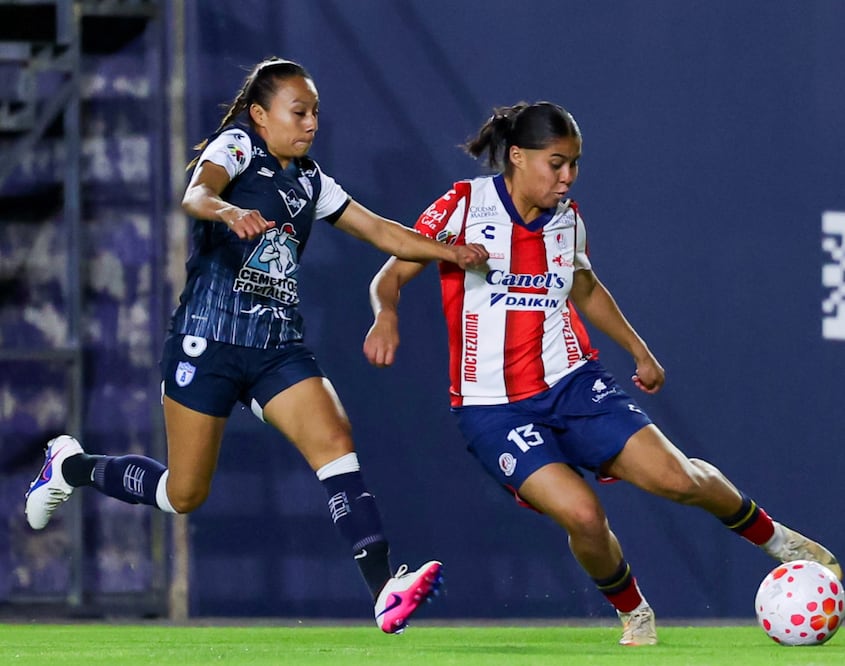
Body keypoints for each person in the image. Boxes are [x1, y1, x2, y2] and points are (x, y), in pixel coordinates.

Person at [24, 57, 489, 634]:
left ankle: (384, 588)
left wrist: (451, 253)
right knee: (184, 493)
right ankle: (70, 467)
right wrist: (227, 208)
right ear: (260, 115)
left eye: (316, 111)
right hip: (208, 342)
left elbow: (380, 232)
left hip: (276, 348)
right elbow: (196, 193)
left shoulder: (311, 180)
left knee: (335, 440)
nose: (311, 122)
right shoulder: (238, 146)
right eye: (299, 111)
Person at [363, 101, 841, 646]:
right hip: (491, 407)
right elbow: (391, 273)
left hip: (572, 383)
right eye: (556, 163)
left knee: (676, 479)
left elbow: (584, 288)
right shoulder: (463, 205)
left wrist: (640, 352)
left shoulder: (567, 220)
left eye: (574, 165)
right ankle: (636, 613)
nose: (567, 178)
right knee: (584, 517)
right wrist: (387, 315)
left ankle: (777, 540)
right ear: (517, 157)